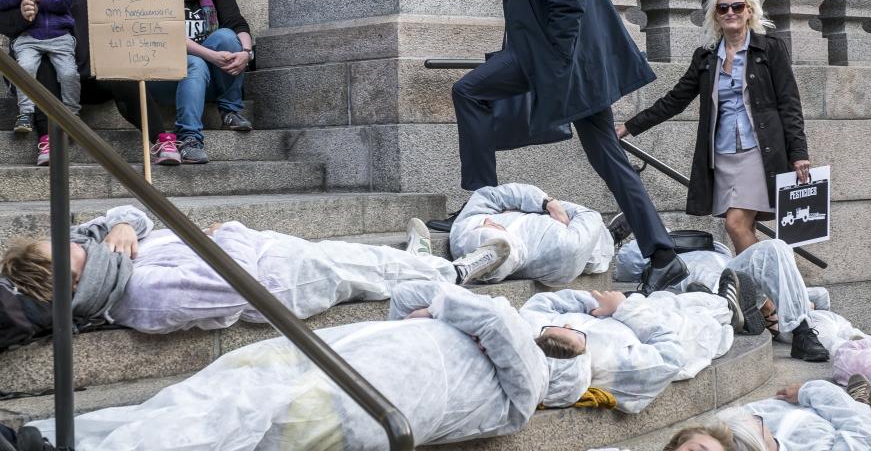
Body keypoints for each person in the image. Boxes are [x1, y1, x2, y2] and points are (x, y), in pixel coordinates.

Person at [431, 0, 686, 296]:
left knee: (469, 91)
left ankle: (479, 203)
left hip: (557, 61)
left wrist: (560, 68)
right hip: (563, 63)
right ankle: (663, 256)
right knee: (608, 157)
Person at [19, 281, 589, 450]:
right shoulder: (491, 354)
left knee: (231, 416)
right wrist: (431, 306)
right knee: (202, 398)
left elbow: (491, 313)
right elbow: (414, 292)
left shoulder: (526, 377)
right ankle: (51, 435)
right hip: (342, 360)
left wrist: (440, 307)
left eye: (568, 332)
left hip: (358, 400)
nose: (560, 325)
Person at [0, 205, 514, 335]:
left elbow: (124, 218)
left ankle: (425, 260)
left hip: (277, 254)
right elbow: (233, 287)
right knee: (374, 273)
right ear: (66, 282)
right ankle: (456, 272)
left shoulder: (104, 256)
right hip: (284, 281)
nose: (71, 240)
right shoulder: (140, 296)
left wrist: (123, 226)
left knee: (376, 264)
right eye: (58, 250)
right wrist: (229, 233)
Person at [617, 0, 810, 255]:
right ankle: (778, 296)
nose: (730, 12)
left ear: (749, 11)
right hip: (722, 155)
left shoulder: (770, 49)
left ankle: (771, 298)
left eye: (737, 6)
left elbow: (790, 102)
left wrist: (799, 152)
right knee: (745, 229)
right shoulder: (706, 58)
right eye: (723, 8)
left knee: (735, 224)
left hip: (759, 152)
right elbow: (675, 100)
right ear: (716, 16)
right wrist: (629, 127)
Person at [0, 0, 181, 167]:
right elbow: (5, 25)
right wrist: (23, 11)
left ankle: (161, 139)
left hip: (85, 75)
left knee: (123, 72)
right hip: (45, 73)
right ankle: (48, 137)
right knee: (41, 67)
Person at [616, 235, 832, 362]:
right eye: (776, 314)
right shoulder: (776, 288)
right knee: (776, 247)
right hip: (732, 273)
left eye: (772, 318)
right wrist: (812, 311)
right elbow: (821, 295)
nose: (773, 312)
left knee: (713, 286)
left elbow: (628, 262)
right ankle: (802, 331)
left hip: (700, 278)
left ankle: (723, 304)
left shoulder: (644, 257)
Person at [520, 287, 736, 413]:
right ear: (583, 357)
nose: (567, 325)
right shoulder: (616, 366)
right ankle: (732, 306)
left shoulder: (538, 332)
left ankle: (710, 296)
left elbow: (543, 303)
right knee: (701, 322)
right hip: (663, 330)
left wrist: (597, 305)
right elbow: (671, 355)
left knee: (665, 300)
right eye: (577, 336)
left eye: (555, 329)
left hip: (622, 313)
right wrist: (625, 309)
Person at [148, 0, 254, 165]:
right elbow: (169, 35)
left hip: (209, 81)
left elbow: (239, 26)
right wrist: (211, 56)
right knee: (195, 62)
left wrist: (246, 53)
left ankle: (229, 111)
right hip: (165, 80)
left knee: (227, 36)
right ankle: (190, 139)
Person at [426, 182, 614, 286]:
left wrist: (547, 203)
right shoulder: (561, 248)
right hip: (588, 247)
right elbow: (589, 216)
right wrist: (553, 208)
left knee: (502, 256)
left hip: (563, 238)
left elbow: (500, 194)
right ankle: (615, 234)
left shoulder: (466, 226)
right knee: (596, 245)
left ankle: (460, 268)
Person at [0, 0, 80, 135]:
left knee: (69, 74)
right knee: (25, 70)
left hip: (60, 37)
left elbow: (66, 0)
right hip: (29, 37)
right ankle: (25, 112)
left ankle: (72, 113)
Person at [720, 371, 871, 451]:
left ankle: (863, 403)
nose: (758, 418)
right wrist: (807, 391)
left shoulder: (744, 420)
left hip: (842, 412)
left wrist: (804, 391)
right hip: (865, 427)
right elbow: (861, 430)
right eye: (758, 422)